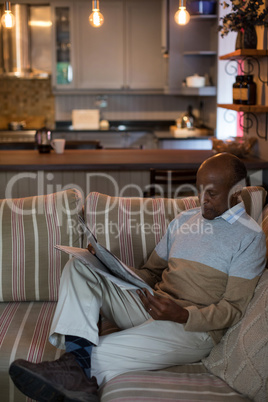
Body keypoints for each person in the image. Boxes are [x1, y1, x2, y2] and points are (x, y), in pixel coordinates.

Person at [9, 153, 266, 402]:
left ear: (236, 191)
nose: (202, 200)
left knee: (96, 353)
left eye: (212, 193)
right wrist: (108, 265)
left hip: (193, 329)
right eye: (199, 190)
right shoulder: (184, 220)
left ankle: (74, 368)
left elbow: (233, 308)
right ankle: (76, 374)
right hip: (150, 304)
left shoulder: (250, 237)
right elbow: (151, 271)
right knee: (79, 267)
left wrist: (183, 315)